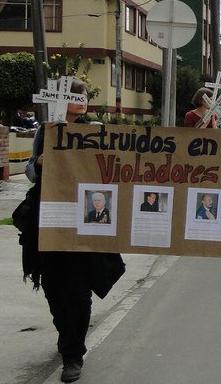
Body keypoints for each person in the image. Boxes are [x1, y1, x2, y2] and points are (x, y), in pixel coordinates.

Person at [22, 77, 125, 383]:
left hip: (86, 220)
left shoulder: (96, 131)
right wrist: (40, 162)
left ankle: (72, 354)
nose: (80, 101)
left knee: (79, 291)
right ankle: (66, 333)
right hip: (49, 219)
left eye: (82, 96)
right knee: (53, 287)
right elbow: (30, 172)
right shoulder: (46, 130)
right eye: (74, 96)